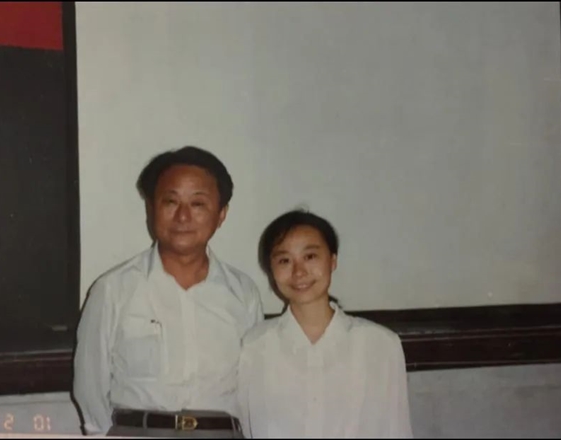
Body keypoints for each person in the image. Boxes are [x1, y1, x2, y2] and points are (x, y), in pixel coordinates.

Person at [73, 146, 264, 437]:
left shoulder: (243, 293)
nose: (183, 216)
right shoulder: (113, 289)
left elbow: (255, 390)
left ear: (221, 214)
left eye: (198, 204)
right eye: (171, 202)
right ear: (151, 209)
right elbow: (89, 386)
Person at [237, 209, 413, 438]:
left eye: (310, 256)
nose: (299, 272)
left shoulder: (380, 345)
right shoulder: (255, 347)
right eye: (284, 260)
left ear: (333, 261)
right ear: (271, 271)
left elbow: (397, 431)